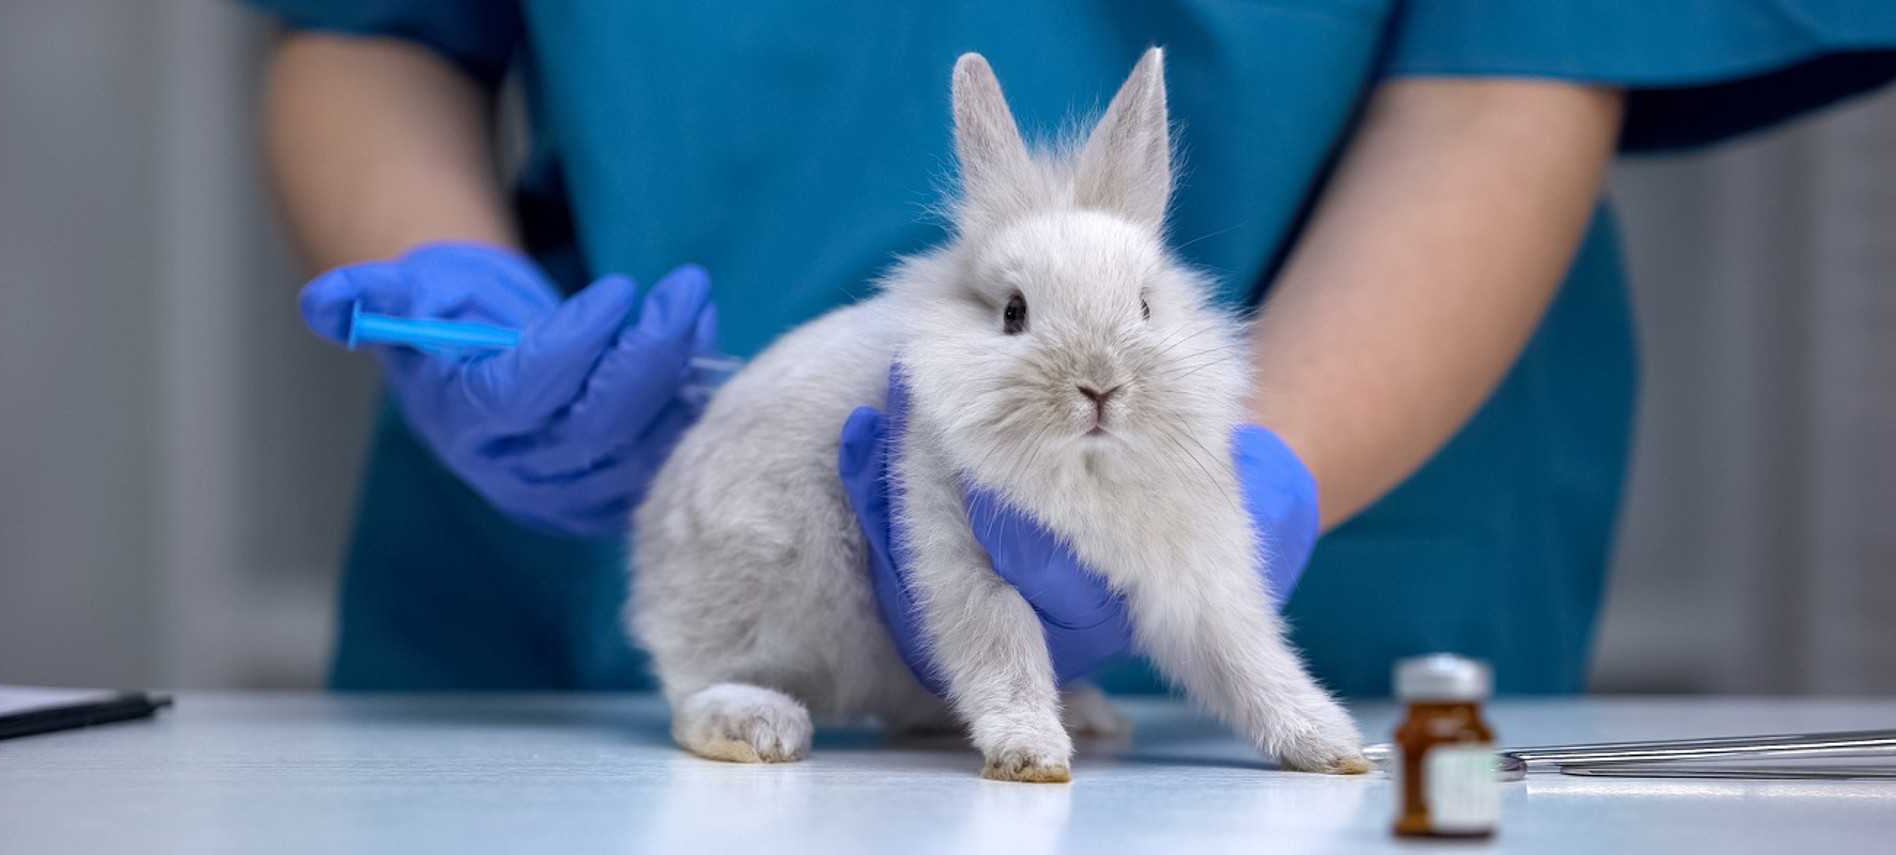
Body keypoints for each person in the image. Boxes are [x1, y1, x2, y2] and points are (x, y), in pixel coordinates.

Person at [247, 0, 1896, 695]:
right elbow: (374, 24)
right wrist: (454, 289)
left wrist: (1230, 495)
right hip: (573, 598)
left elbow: (1505, 74)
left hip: (1364, 503)